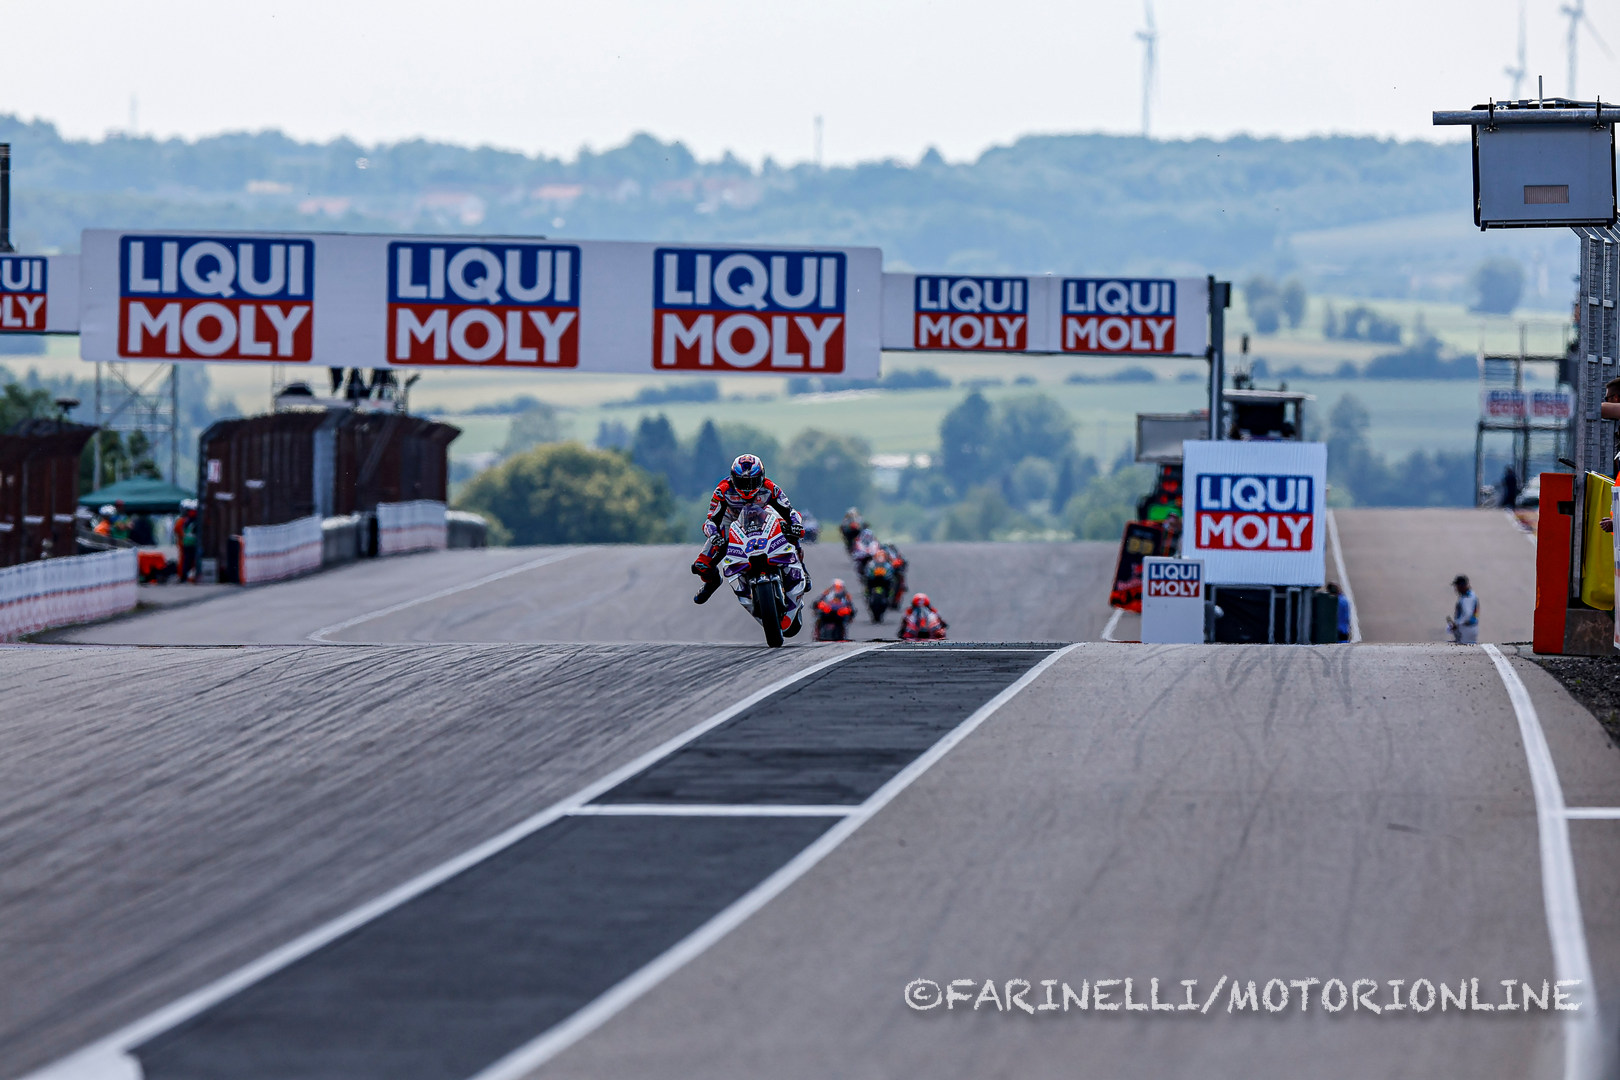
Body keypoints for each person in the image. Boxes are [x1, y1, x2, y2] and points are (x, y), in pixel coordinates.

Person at [692, 454, 804, 604]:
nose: (747, 488)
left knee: (790, 530)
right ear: (732, 478)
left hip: (764, 516)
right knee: (701, 565)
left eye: (752, 482)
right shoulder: (722, 490)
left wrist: (796, 525)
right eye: (742, 482)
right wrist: (714, 536)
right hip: (731, 521)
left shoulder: (771, 488)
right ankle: (712, 582)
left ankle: (801, 569)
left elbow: (790, 511)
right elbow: (710, 522)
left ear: (762, 477)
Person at [1447, 574, 1480, 644]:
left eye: (1457, 586)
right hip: (1468, 628)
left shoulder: (1468, 598)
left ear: (1462, 585)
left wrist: (1456, 624)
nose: (1456, 588)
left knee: (1465, 650)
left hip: (1467, 628)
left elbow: (1467, 615)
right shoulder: (1469, 595)